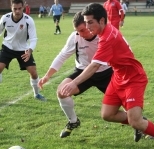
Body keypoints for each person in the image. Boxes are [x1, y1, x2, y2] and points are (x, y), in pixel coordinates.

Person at [61, 3, 154, 149]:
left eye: (90, 22)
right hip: (118, 77)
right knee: (107, 114)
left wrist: (74, 83)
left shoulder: (107, 38)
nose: (87, 26)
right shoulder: (104, 31)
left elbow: (94, 66)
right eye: (85, 22)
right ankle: (137, 122)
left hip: (133, 78)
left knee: (134, 121)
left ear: (101, 21)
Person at [38, 11, 143, 141]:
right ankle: (73, 121)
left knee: (126, 103)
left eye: (83, 30)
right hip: (83, 72)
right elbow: (62, 55)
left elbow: (127, 50)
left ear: (89, 25)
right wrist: (48, 75)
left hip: (107, 73)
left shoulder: (106, 35)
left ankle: (139, 123)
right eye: (78, 31)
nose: (81, 34)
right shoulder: (75, 37)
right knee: (62, 91)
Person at [0, 0, 46, 101]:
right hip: (7, 47)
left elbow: (33, 38)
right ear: (11, 7)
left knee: (33, 72)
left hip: (23, 49)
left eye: (19, 8)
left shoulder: (28, 20)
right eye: (14, 9)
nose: (17, 11)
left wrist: (29, 51)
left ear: (23, 7)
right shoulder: (5, 18)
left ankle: (36, 94)